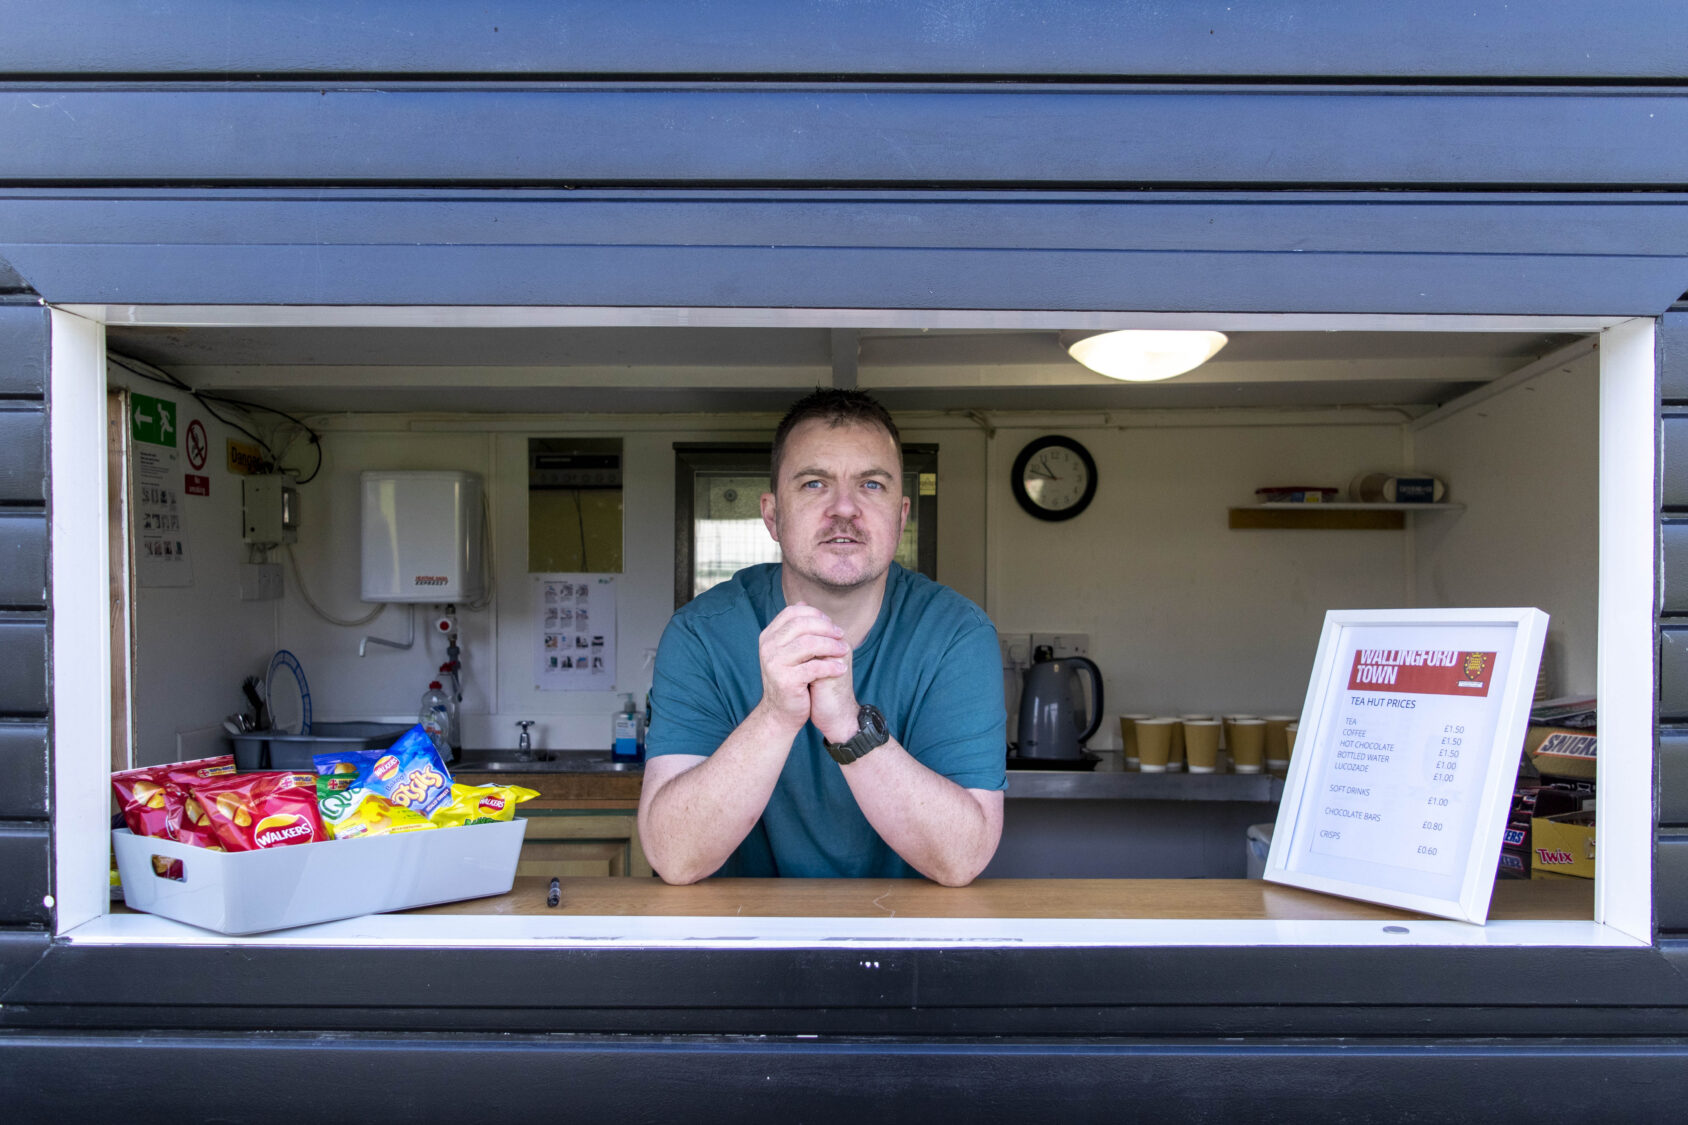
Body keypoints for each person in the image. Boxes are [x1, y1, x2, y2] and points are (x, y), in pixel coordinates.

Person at [638, 388, 1006, 885]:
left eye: (872, 485)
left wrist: (848, 724)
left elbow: (962, 858)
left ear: (901, 517)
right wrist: (775, 715)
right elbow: (674, 858)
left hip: (908, 941)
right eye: (814, 484)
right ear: (772, 515)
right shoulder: (702, 633)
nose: (845, 509)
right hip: (744, 939)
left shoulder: (956, 634)